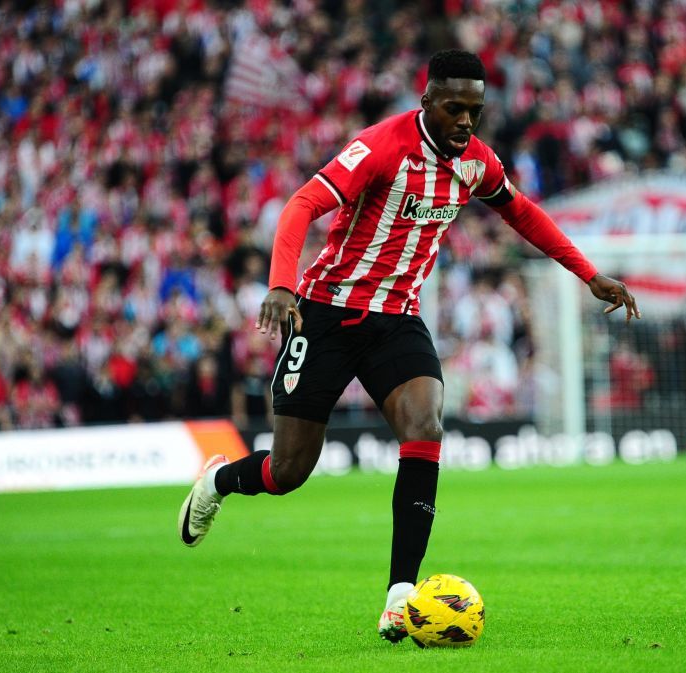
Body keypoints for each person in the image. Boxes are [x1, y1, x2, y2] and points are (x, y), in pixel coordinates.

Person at [177, 49, 640, 643]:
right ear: (427, 103)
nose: (466, 121)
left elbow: (521, 213)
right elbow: (301, 205)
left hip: (397, 319)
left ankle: (400, 596)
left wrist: (588, 273)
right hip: (325, 314)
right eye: (454, 108)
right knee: (289, 470)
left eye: (475, 110)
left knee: (425, 425)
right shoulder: (380, 147)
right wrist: (281, 285)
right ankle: (218, 483)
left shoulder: (476, 163)